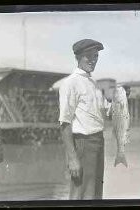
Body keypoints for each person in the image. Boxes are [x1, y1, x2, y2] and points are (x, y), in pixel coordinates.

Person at [59, 39, 111, 200]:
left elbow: (106, 111)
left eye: (96, 56)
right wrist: (73, 158)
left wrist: (121, 97)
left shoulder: (93, 83)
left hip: (98, 142)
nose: (93, 60)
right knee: (80, 195)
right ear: (78, 57)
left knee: (95, 195)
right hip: (83, 143)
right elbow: (64, 123)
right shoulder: (70, 83)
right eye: (88, 56)